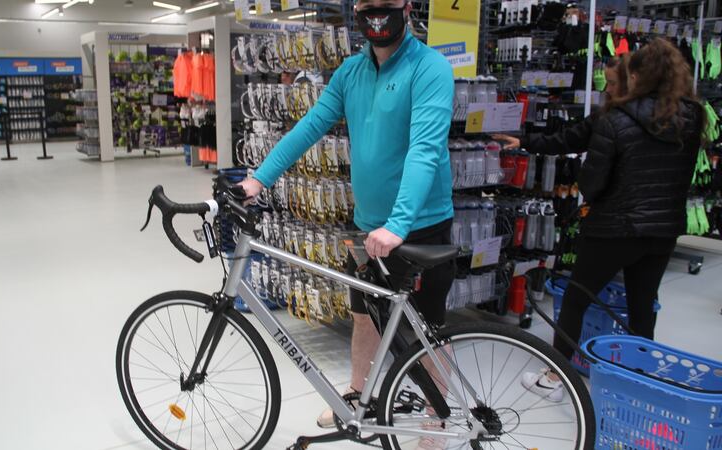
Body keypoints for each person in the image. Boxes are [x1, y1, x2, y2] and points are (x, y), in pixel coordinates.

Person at [238, 0, 455, 439]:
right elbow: (311, 125)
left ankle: (440, 417)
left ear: (407, 8)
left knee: (427, 329)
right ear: (357, 10)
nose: (377, 13)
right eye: (368, 6)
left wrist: (398, 224)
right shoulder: (351, 72)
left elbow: (425, 148)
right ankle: (359, 394)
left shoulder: (430, 68)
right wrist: (258, 180)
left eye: (387, 5)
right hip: (366, 225)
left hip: (420, 224)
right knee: (362, 316)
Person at [521, 37, 705, 401]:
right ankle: (638, 381)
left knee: (577, 299)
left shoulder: (616, 118)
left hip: (613, 228)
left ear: (637, 75)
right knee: (643, 305)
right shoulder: (692, 117)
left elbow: (592, 183)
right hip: (664, 230)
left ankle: (557, 379)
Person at [492, 56, 628, 153]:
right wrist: (525, 141)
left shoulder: (639, 119)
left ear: (628, 82)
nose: (607, 89)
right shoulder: (602, 117)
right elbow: (566, 140)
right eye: (607, 83)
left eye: (612, 83)